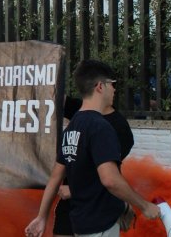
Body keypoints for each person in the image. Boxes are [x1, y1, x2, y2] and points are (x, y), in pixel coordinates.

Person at [25, 60, 160, 237]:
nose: (114, 89)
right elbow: (110, 180)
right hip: (99, 224)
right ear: (100, 87)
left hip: (80, 222)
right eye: (112, 84)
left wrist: (42, 217)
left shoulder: (72, 126)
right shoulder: (101, 127)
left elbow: (55, 177)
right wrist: (144, 205)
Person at [51, 95, 134, 236]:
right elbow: (54, 97)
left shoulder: (119, 128)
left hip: (97, 206)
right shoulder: (82, 110)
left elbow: (108, 176)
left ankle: (122, 206)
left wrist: (74, 190)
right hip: (70, 203)